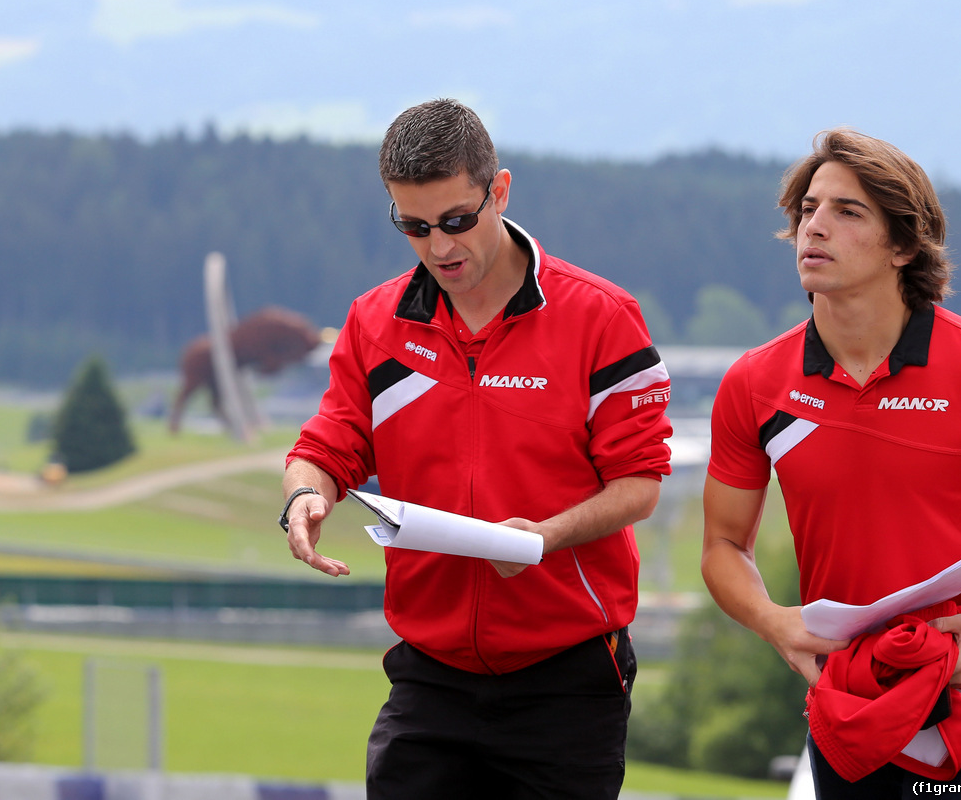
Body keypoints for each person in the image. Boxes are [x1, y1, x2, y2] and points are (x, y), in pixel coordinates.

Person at [281, 98, 673, 799]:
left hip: (567, 677)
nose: (439, 247)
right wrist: (306, 494)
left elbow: (640, 483)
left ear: (501, 191)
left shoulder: (600, 317)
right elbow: (330, 440)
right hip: (429, 672)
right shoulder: (376, 320)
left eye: (458, 221)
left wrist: (543, 539)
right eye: (414, 226)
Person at [700, 128, 961, 795]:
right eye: (808, 210)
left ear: (904, 246)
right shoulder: (754, 384)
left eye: (846, 212)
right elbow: (719, 543)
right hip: (847, 684)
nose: (814, 227)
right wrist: (777, 623)